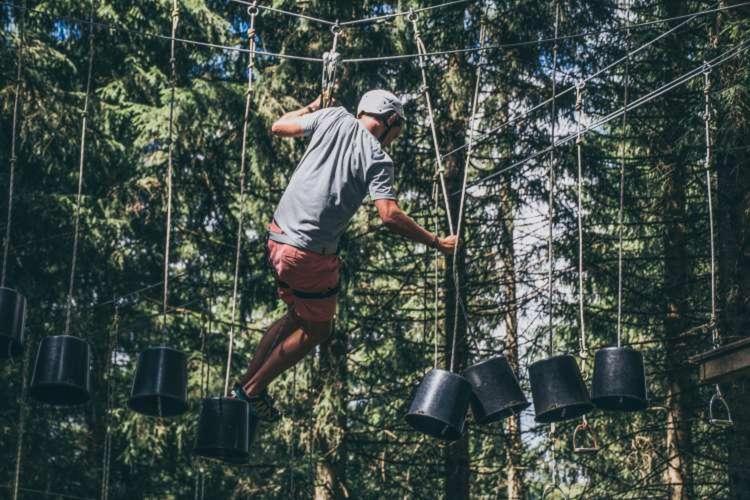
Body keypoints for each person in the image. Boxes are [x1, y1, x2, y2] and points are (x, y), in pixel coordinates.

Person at [232, 90, 458, 420]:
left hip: (278, 241)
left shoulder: (332, 116)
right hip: (308, 254)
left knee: (298, 315)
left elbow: (279, 126)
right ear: (390, 120)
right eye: (397, 131)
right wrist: (437, 242)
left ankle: (246, 387)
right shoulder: (378, 159)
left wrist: (315, 103)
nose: (395, 139)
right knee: (319, 330)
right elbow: (390, 215)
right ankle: (251, 391)